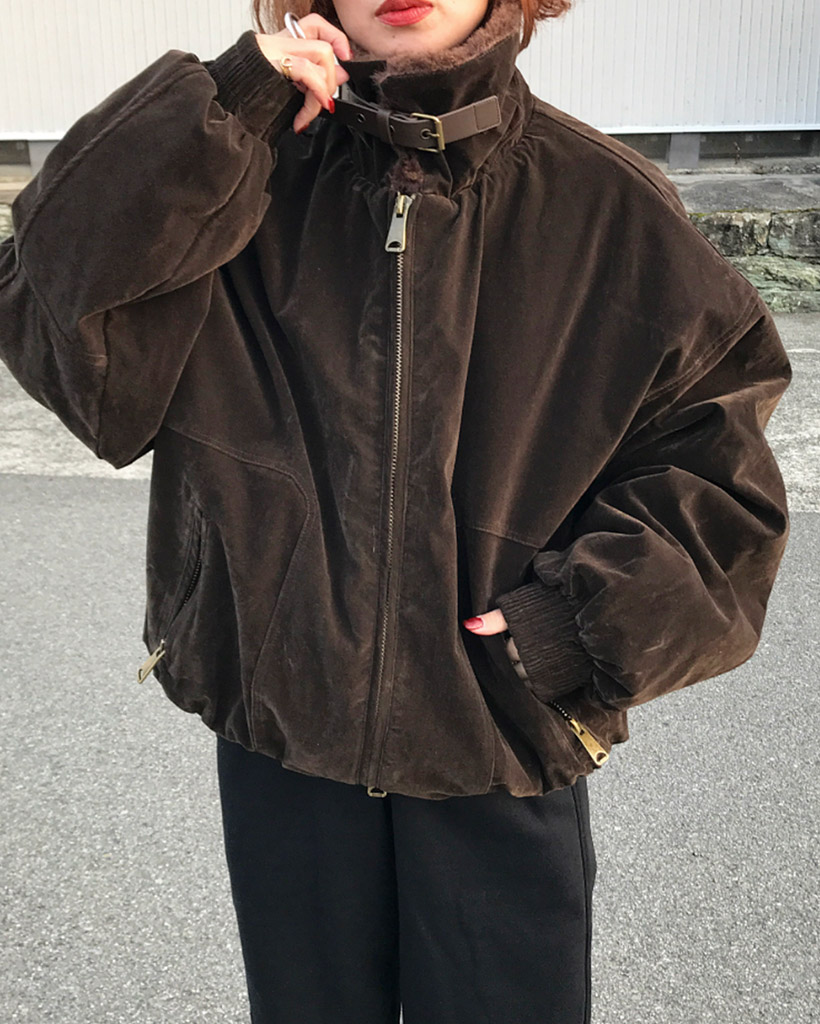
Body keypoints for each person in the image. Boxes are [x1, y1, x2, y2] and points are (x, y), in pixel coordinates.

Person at [0, 0, 791, 1020]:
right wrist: (222, 102)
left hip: (499, 742)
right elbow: (54, 307)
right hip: (283, 733)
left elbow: (720, 474)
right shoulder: (237, 177)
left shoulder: (608, 206)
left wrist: (573, 625)